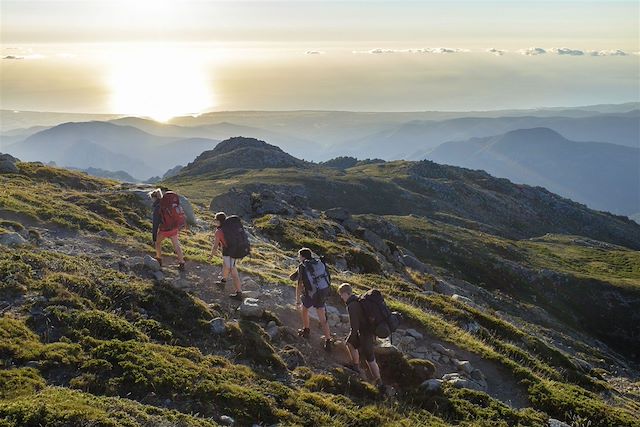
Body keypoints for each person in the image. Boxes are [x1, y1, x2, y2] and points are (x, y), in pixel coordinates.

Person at [338, 282, 383, 390]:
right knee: (352, 344)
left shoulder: (352, 305)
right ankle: (356, 366)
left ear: (346, 293)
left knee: (369, 357)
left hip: (365, 333)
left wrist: (351, 337)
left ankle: (379, 383)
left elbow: (354, 326)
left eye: (341, 294)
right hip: (368, 331)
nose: (341, 297)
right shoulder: (358, 299)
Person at [292, 248, 333, 351]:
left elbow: (299, 284)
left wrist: (297, 300)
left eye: (299, 256)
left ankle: (306, 330)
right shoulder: (318, 263)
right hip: (322, 292)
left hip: (311, 293)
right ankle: (328, 341)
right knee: (323, 318)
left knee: (304, 309)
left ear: (302, 256)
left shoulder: (303, 266)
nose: (298, 257)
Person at [149, 188, 185, 270]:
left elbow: (155, 224)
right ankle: (182, 262)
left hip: (164, 230)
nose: (152, 200)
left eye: (152, 198)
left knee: (158, 242)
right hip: (174, 228)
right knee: (176, 245)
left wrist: (154, 237)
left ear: (154, 198)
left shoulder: (158, 207)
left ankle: (159, 259)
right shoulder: (168, 204)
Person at [210, 212, 243, 299]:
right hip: (234, 251)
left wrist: (211, 255)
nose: (214, 222)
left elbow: (215, 245)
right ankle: (223, 281)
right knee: (225, 265)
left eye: (215, 220)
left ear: (218, 221)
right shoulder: (230, 227)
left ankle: (239, 293)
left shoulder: (219, 231)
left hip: (229, 253)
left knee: (233, 272)